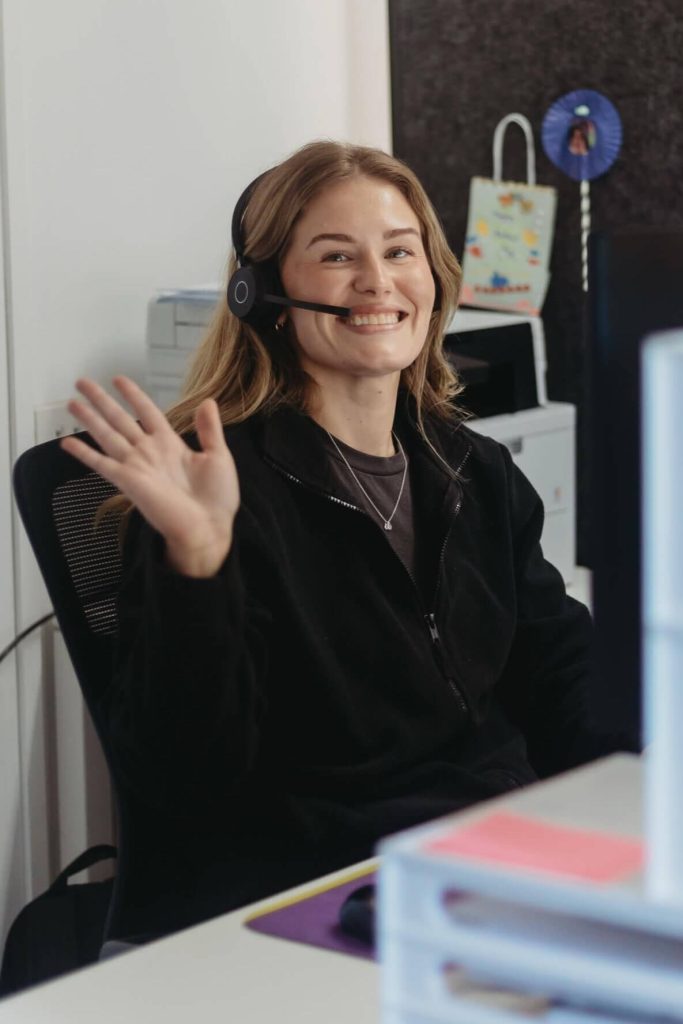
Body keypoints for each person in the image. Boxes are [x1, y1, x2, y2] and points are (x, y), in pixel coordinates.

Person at [61, 140, 631, 936]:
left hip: (481, 850)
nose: (376, 282)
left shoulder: (475, 471)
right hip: (323, 885)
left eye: (400, 251)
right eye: (336, 257)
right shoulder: (217, 491)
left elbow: (562, 673)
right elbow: (186, 780)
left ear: (433, 278)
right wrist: (197, 563)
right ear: (262, 294)